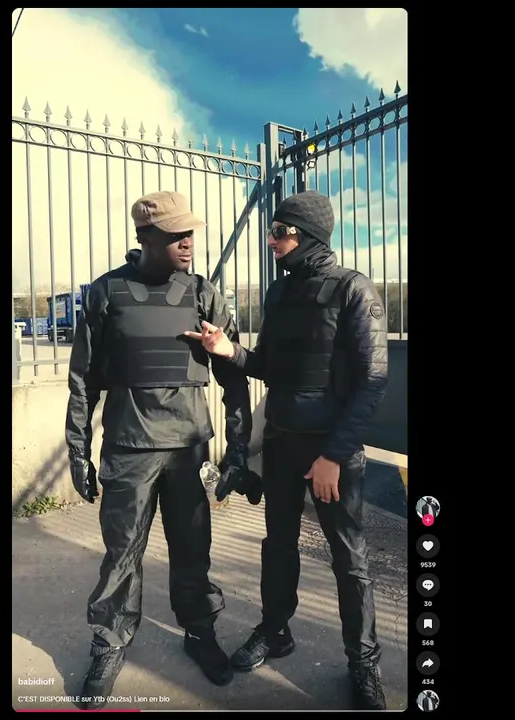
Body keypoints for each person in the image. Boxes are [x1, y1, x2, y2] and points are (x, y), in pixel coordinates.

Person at [185, 190, 390, 709]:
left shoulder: (353, 290)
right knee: (278, 546)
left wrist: (334, 457)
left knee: (349, 560)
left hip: (331, 453)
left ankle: (363, 662)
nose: (271, 240)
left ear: (308, 236)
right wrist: (228, 350)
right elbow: (270, 366)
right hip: (280, 444)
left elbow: (372, 383)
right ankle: (275, 631)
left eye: (280, 232)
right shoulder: (279, 294)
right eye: (271, 231)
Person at [65, 190, 261, 710]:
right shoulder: (107, 292)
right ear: (145, 237)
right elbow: (83, 378)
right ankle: (110, 645)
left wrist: (237, 450)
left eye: (190, 233)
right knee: (121, 555)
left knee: (193, 552)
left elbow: (233, 377)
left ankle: (200, 632)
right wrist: (78, 449)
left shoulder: (203, 293)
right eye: (176, 234)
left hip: (188, 450)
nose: (188, 242)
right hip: (129, 449)